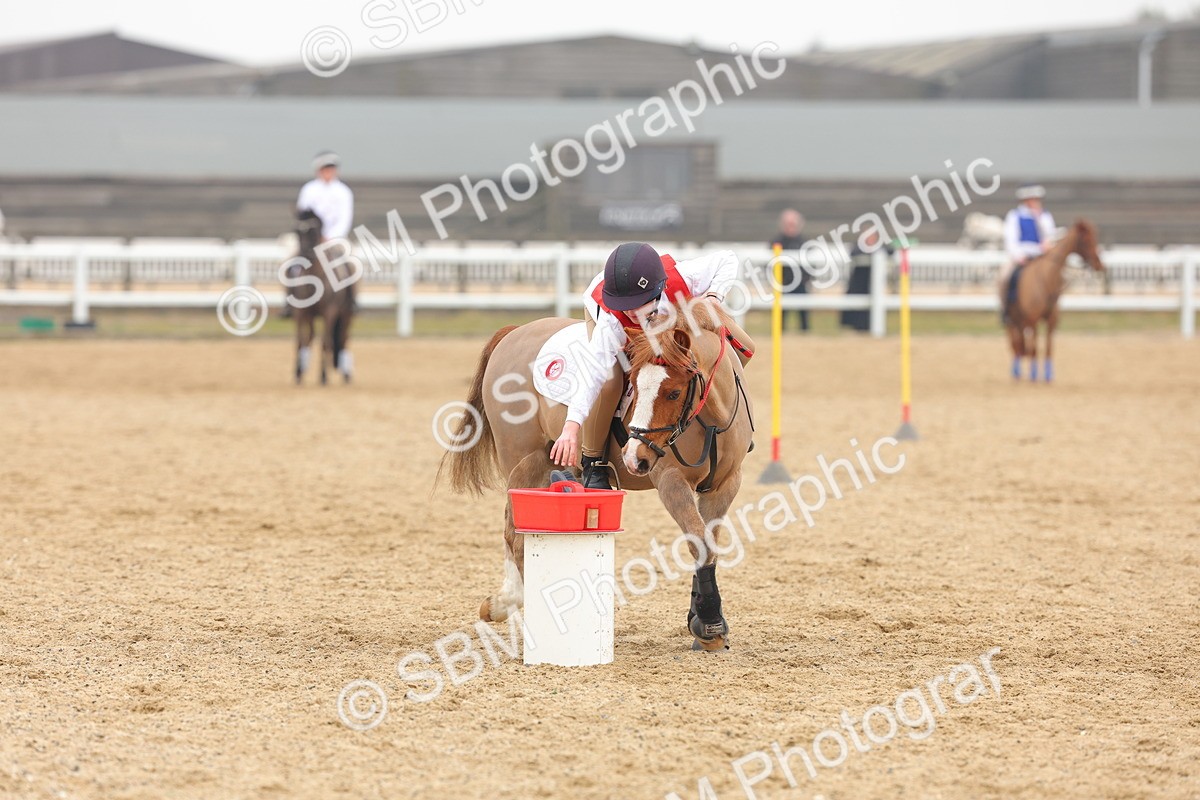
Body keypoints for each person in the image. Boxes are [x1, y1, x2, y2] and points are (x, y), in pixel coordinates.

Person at [549, 242, 755, 490]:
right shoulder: (613, 319)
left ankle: (728, 418)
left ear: (658, 290)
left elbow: (727, 259)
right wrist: (571, 427)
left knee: (745, 346)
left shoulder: (684, 276)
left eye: (638, 302)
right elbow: (593, 374)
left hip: (672, 319)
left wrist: (714, 296)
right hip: (604, 316)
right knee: (610, 382)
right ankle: (593, 462)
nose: (630, 311)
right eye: (625, 305)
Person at [287, 150, 355, 317]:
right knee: (290, 263)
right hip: (310, 239)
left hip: (335, 238)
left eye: (331, 168)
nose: (328, 172)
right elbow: (303, 216)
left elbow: (345, 218)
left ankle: (351, 301)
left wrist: (329, 237)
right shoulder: (309, 189)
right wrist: (313, 236)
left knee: (351, 264)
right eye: (325, 168)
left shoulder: (343, 191)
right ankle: (289, 301)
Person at [1001, 184, 1056, 320]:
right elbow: (1010, 239)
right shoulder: (1015, 215)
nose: (1035, 202)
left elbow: (1050, 235)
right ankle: (1008, 308)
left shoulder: (1044, 216)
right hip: (1022, 255)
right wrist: (1019, 256)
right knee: (1006, 277)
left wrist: (1039, 219)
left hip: (1041, 256)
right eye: (1032, 199)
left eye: (1036, 199)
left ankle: (1052, 308)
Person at [770, 209, 810, 332]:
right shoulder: (775, 242)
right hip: (782, 283)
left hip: (801, 283)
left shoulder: (805, 243)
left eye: (793, 224)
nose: (790, 227)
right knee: (780, 313)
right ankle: (780, 331)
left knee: (804, 312)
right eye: (788, 224)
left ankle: (805, 332)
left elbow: (810, 265)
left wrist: (806, 279)